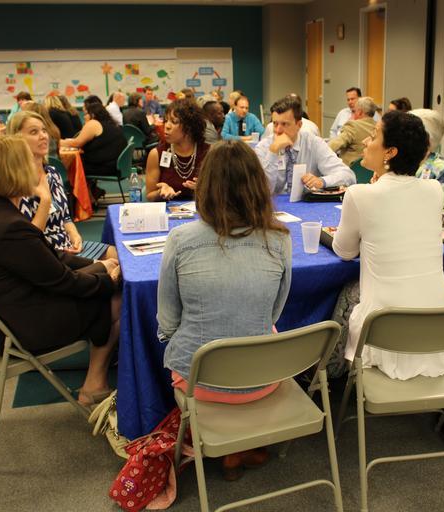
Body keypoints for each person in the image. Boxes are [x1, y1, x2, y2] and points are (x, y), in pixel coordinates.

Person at [157, 139, 291, 480]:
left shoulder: (181, 240)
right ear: (258, 188)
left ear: (205, 187)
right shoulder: (279, 240)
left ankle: (232, 448)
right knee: (261, 330)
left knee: (187, 343)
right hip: (262, 379)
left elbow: (168, 322)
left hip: (199, 380)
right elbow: (273, 314)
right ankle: (242, 445)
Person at [0, 136, 121, 406]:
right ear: (18, 172)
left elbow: (47, 260)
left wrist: (100, 266)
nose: (38, 166)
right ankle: (95, 384)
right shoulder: (10, 227)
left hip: (0, 314)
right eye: (31, 162)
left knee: (107, 273)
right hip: (18, 327)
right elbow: (64, 282)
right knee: (117, 298)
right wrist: (108, 280)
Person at [332, 110, 444, 380]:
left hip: (381, 336)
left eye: (373, 136)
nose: (365, 141)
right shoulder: (433, 189)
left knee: (346, 292)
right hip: (437, 331)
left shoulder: (359, 194)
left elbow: (345, 251)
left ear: (390, 152)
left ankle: (330, 373)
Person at [8, 111, 117, 261]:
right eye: (34, 132)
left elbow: (65, 218)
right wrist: (45, 200)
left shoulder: (52, 172)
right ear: (16, 139)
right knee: (111, 266)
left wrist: (75, 236)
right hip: (45, 254)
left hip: (66, 246)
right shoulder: (16, 182)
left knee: (120, 256)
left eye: (44, 130)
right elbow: (30, 239)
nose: (43, 136)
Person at [255, 96, 355, 195]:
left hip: (306, 203)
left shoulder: (314, 143)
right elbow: (261, 191)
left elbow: (348, 176)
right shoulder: (263, 147)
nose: (278, 130)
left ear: (299, 125)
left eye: (285, 124)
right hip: (274, 203)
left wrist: (322, 181)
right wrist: (273, 152)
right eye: (275, 124)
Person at [145, 100, 209, 201]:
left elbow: (222, 193)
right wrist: (161, 192)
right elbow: (149, 196)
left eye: (174, 122)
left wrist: (204, 190)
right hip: (167, 209)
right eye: (166, 121)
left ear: (189, 127)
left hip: (200, 208)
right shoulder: (156, 154)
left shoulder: (209, 153)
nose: (167, 126)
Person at [61, 100, 125, 187]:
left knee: (75, 165)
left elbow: (76, 143)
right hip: (116, 166)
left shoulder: (93, 123)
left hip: (104, 167)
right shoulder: (111, 124)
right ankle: (92, 191)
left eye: (85, 114)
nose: (84, 117)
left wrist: (58, 142)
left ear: (93, 115)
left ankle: (76, 193)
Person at [328, 96, 378, 166]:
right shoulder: (378, 127)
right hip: (370, 169)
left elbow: (335, 144)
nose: (353, 114)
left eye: (354, 111)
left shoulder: (353, 125)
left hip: (349, 169)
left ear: (360, 112)